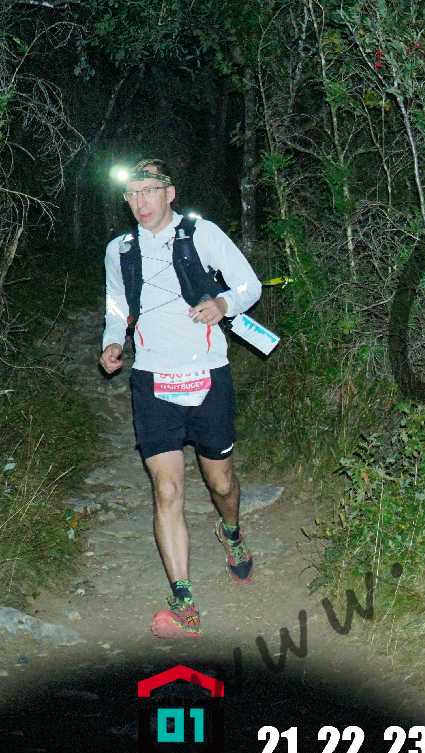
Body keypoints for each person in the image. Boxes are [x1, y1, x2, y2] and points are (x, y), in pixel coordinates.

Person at [99, 158, 262, 639]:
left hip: (207, 375)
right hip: (152, 381)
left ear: (170, 193)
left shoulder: (201, 234)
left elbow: (248, 285)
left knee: (221, 483)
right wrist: (112, 342)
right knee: (167, 490)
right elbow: (116, 307)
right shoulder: (119, 250)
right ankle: (184, 599)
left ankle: (230, 531)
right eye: (132, 193)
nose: (140, 201)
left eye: (149, 190)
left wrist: (223, 304)